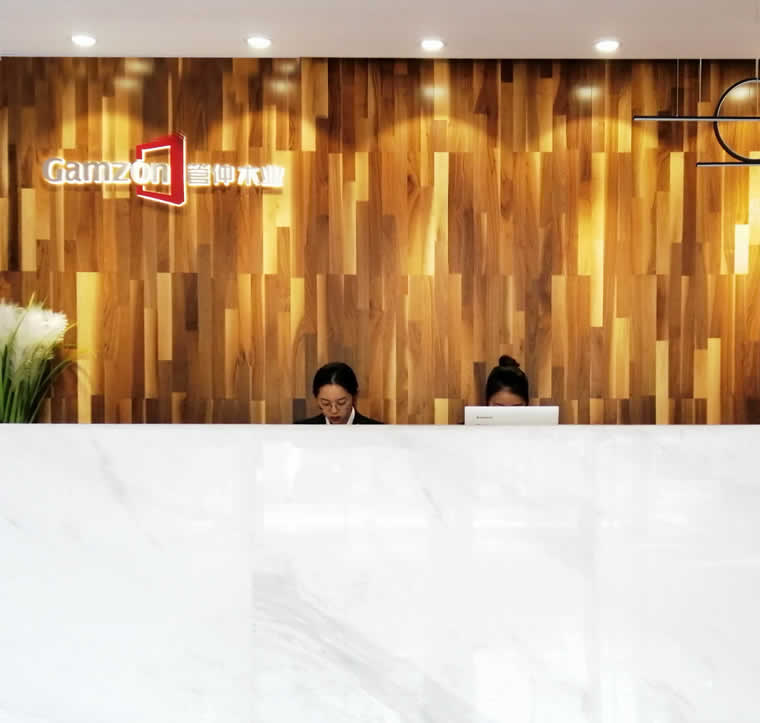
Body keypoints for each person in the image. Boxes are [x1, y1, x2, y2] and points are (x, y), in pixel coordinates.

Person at [296, 362, 382, 424]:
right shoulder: (301, 430)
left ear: (354, 397)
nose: (334, 411)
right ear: (316, 399)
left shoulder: (377, 431)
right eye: (326, 403)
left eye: (341, 402)